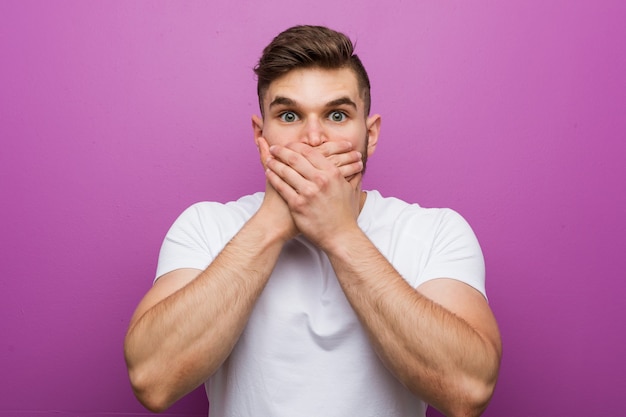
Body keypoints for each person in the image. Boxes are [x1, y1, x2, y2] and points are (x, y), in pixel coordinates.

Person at [124, 25, 502, 417]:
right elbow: (154, 380)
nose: (313, 137)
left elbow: (468, 391)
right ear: (261, 136)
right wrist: (272, 222)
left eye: (337, 115)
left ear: (369, 135)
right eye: (289, 116)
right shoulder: (205, 226)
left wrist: (339, 233)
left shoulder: (436, 232)